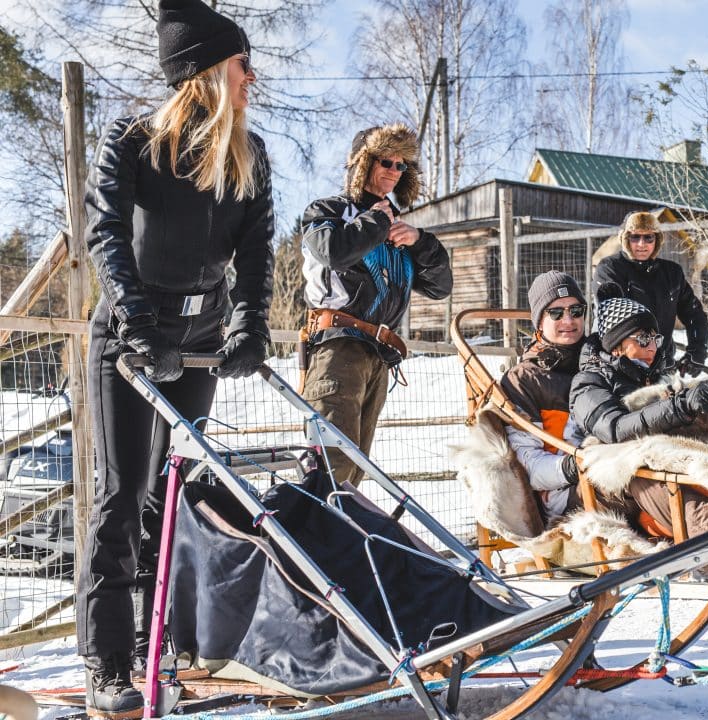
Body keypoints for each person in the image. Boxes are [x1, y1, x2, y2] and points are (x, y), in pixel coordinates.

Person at [78, 0, 275, 712]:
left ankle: (156, 645)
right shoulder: (132, 141)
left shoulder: (249, 157)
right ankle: (107, 666)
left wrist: (250, 328)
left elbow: (256, 256)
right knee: (124, 493)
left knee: (173, 494)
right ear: (207, 72)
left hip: (200, 339)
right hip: (132, 338)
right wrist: (136, 323)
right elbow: (105, 235)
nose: (252, 77)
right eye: (242, 65)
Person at [299, 122, 452, 486]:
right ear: (363, 162)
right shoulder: (328, 211)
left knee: (356, 474)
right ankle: (309, 539)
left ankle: (344, 540)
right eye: (386, 161)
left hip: (379, 355)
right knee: (330, 466)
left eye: (402, 165)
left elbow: (440, 287)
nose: (394, 172)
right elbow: (332, 252)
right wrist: (377, 222)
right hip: (337, 347)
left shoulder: (397, 227)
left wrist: (420, 242)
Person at [570, 283, 708, 539]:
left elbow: (686, 425)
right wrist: (681, 405)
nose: (652, 347)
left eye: (656, 338)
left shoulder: (655, 377)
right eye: (643, 339)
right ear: (616, 345)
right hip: (610, 487)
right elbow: (615, 429)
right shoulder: (589, 382)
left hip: (666, 464)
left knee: (702, 463)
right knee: (643, 472)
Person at [498, 271, 589, 521]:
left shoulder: (600, 363)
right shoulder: (524, 379)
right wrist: (576, 466)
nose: (568, 320)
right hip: (567, 491)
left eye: (576, 311)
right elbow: (528, 464)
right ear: (539, 322)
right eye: (556, 313)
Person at [594, 211, 708, 375]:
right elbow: (613, 320)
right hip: (621, 367)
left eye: (649, 237)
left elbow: (694, 314)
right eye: (635, 237)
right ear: (625, 239)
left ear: (657, 240)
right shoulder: (610, 269)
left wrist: (697, 353)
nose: (642, 244)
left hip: (663, 367)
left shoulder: (672, 273)